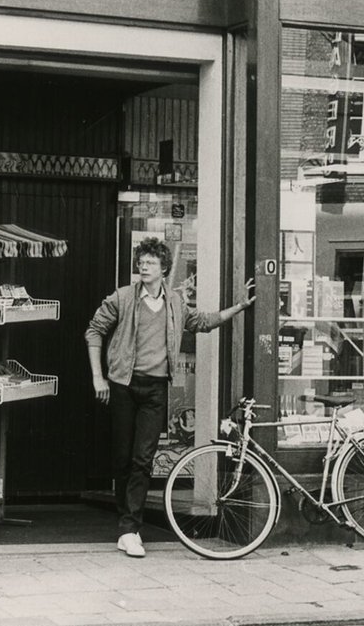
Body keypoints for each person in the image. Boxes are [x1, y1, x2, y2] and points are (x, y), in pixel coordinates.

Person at [85, 237, 255, 558]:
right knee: (122, 458)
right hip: (123, 385)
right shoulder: (122, 298)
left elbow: (202, 322)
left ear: (164, 269)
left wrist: (239, 307)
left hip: (156, 388)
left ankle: (129, 529)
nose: (143, 267)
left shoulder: (175, 303)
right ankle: (127, 523)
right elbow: (94, 330)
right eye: (141, 262)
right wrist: (98, 376)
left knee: (142, 458)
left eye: (150, 263)